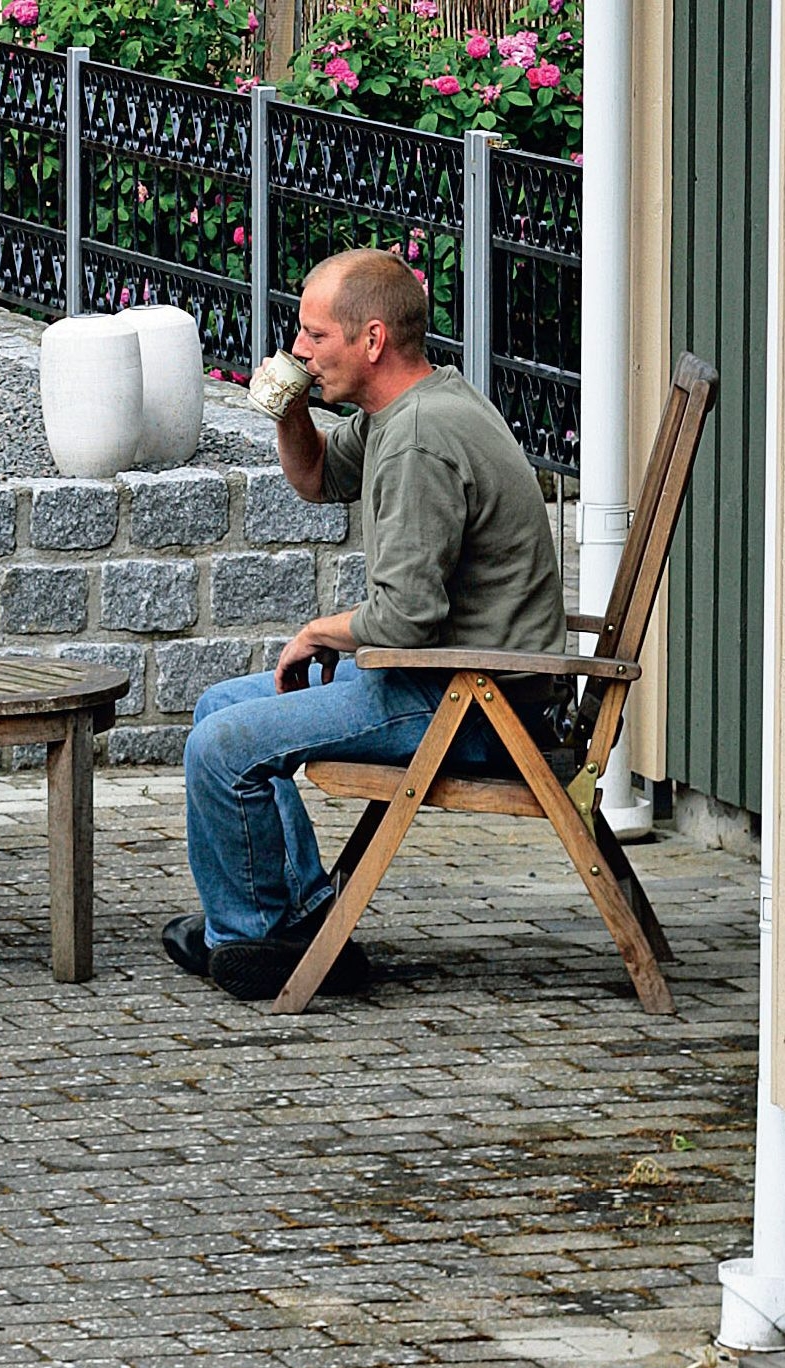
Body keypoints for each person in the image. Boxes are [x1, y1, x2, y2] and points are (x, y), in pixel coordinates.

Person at [162, 248, 566, 1002]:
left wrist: (318, 630)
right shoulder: (410, 408)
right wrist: (290, 412)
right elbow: (316, 478)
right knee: (222, 706)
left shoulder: (419, 439)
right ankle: (306, 912)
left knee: (222, 746)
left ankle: (250, 940)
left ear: (371, 340)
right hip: (444, 679)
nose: (298, 350)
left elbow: (407, 619)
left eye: (314, 336)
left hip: (470, 703)